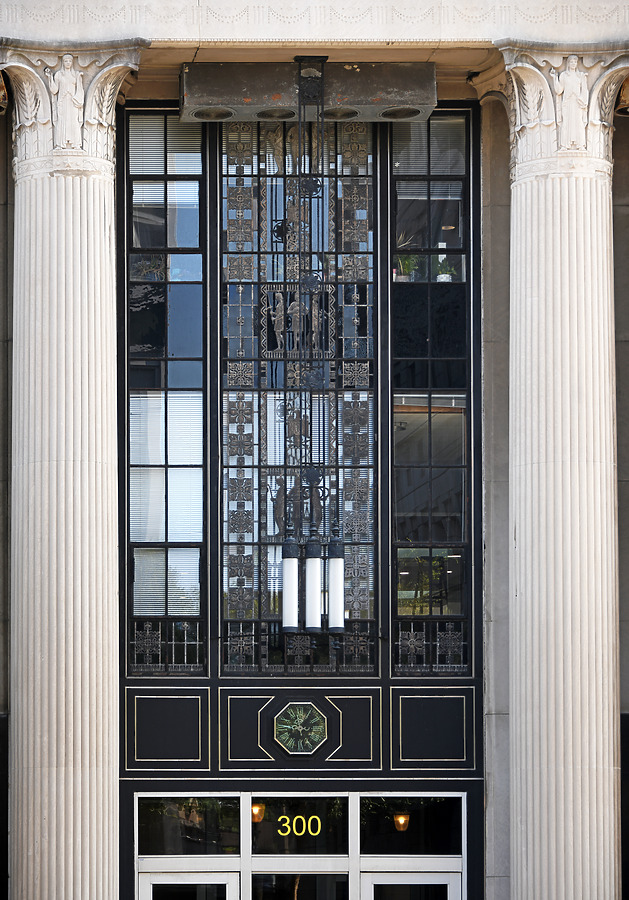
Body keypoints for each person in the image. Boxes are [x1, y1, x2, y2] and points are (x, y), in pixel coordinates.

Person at [45, 54, 84, 149]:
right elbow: (54, 90)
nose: (68, 63)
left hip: (73, 102)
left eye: (70, 61)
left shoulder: (75, 74)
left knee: (73, 121)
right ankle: (60, 144)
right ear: (63, 62)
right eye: (66, 61)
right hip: (62, 102)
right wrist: (50, 77)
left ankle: (76, 144)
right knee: (61, 121)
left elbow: (80, 89)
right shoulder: (58, 74)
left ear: (72, 63)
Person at [550, 55, 588, 150]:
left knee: (578, 122)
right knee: (566, 123)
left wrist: (583, 101)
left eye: (575, 62)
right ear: (568, 63)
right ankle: (564, 145)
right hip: (567, 103)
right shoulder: (564, 75)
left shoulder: (581, 76)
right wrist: (554, 78)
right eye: (571, 62)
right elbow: (559, 90)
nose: (573, 64)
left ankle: (580, 145)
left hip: (577, 103)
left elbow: (584, 90)